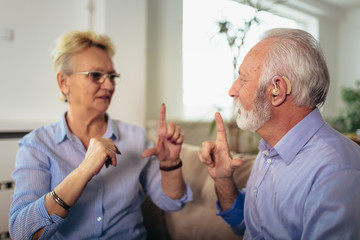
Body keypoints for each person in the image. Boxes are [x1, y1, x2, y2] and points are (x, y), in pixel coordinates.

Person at [9, 30, 192, 240]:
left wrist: (170, 165)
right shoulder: (37, 145)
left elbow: (172, 202)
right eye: (95, 75)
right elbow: (22, 233)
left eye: (112, 76)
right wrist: (84, 170)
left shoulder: (136, 138)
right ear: (63, 82)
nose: (109, 85)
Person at [198, 28, 360, 239]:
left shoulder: (336, 171)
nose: (232, 90)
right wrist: (222, 179)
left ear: (277, 90)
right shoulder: (269, 149)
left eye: (243, 79)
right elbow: (246, 225)